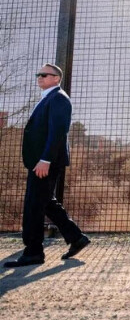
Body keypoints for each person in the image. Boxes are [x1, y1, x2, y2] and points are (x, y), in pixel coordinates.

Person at [3, 64, 90, 268]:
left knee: (34, 205)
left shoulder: (59, 98)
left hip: (46, 162)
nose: (39, 77)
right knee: (45, 201)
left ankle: (33, 252)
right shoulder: (48, 98)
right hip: (40, 161)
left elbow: (58, 132)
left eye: (44, 74)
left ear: (56, 78)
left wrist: (46, 160)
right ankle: (76, 237)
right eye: (38, 74)